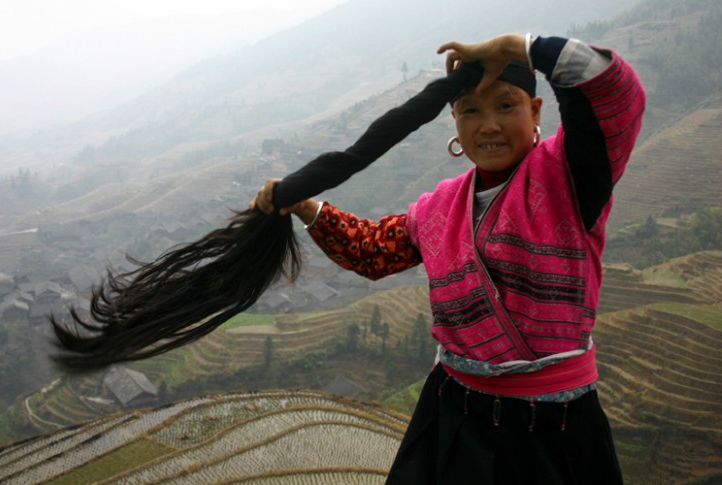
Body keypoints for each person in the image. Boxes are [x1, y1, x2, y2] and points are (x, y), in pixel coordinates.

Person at [252, 32, 645, 484]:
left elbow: (610, 86)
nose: (489, 125)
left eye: (505, 105)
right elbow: (372, 252)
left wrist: (519, 47)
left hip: (554, 431)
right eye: (470, 110)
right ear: (455, 123)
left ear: (535, 111)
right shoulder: (440, 207)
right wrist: (304, 205)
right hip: (455, 419)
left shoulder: (573, 174)